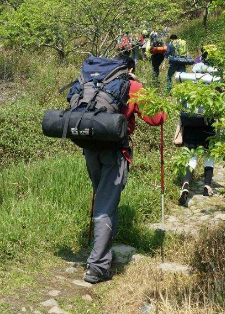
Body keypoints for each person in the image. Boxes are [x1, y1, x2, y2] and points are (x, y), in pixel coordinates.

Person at [69, 54, 166, 284]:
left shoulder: (92, 82)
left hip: (90, 149)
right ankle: (97, 267)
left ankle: (102, 253)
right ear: (130, 67)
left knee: (102, 199)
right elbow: (157, 119)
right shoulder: (131, 85)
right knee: (106, 204)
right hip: (115, 152)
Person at [178, 55, 217, 204]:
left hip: (190, 124)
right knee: (209, 155)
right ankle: (207, 186)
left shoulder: (187, 82)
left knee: (191, 156)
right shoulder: (214, 83)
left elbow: (180, 106)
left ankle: (186, 184)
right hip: (207, 124)